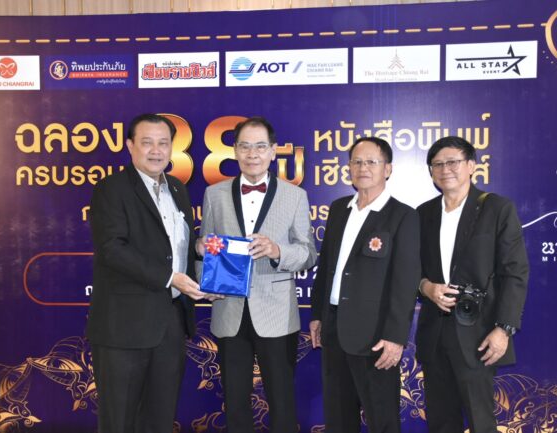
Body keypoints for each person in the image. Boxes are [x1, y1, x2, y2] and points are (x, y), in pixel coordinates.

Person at [87, 113, 216, 433]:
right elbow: (112, 248)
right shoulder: (111, 189)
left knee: (160, 418)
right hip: (123, 327)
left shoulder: (177, 188)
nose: (156, 150)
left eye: (163, 143)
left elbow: (173, 247)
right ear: (130, 146)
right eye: (147, 142)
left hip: (170, 322)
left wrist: (198, 250)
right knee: (119, 421)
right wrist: (170, 278)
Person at [197, 116, 317, 433]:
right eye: (245, 146)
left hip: (276, 313)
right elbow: (206, 246)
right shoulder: (214, 194)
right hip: (229, 309)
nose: (252, 154)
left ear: (273, 151)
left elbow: (308, 253)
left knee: (281, 400)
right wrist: (206, 281)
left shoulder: (295, 195)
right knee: (235, 401)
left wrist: (277, 251)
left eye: (260, 146)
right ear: (235, 150)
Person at [416, 136, 529, 433]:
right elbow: (410, 270)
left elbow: (515, 273)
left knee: (481, 422)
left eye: (453, 162)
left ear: (471, 166)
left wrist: (503, 329)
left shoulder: (497, 209)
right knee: (441, 422)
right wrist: (426, 287)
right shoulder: (423, 214)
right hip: (434, 333)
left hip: (478, 333)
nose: (445, 169)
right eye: (437, 164)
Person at [310, 136, 421, 433]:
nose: (363, 168)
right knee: (338, 417)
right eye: (357, 162)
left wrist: (395, 337)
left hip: (375, 335)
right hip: (334, 328)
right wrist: (318, 315)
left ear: (388, 169)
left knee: (381, 418)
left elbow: (405, 281)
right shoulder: (339, 209)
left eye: (372, 162)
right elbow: (327, 267)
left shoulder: (403, 215)